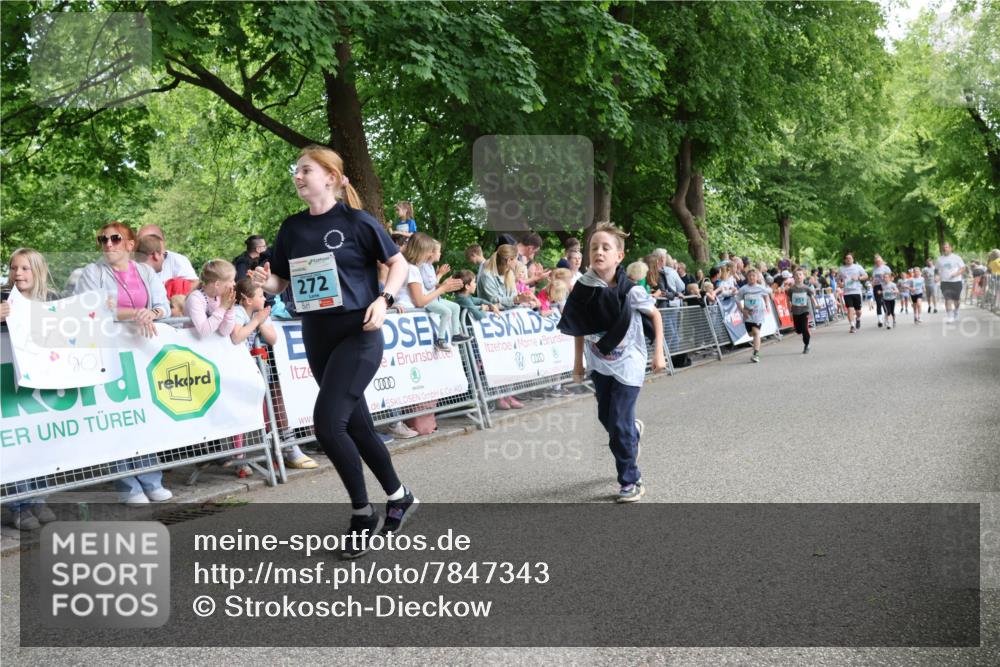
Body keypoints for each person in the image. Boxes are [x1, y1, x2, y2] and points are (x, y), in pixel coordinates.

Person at [251, 145, 417, 558]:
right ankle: (400, 496)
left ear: (331, 177)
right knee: (356, 426)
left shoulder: (356, 222)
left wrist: (386, 300)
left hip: (359, 333)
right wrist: (264, 280)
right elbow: (283, 283)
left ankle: (363, 515)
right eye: (296, 170)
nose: (298, 175)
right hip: (317, 335)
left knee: (328, 425)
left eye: (306, 169)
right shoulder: (291, 228)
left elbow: (399, 265)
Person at [559, 222, 666, 503]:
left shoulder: (631, 291)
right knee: (606, 418)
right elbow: (577, 325)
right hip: (599, 363)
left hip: (629, 361)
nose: (599, 252)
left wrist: (658, 354)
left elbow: (655, 316)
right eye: (594, 247)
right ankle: (634, 431)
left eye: (606, 247)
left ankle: (631, 480)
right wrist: (578, 362)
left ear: (619, 256)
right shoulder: (582, 288)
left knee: (618, 422)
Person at [76, 222, 172, 503]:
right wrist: (135, 313)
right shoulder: (92, 273)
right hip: (108, 353)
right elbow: (93, 309)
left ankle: (152, 479)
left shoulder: (144, 270)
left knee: (145, 416)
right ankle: (127, 485)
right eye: (102, 239)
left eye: (115, 239)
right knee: (117, 419)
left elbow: (163, 304)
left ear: (130, 244)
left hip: (142, 354)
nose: (108, 244)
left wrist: (152, 312)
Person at [1, 249, 60, 529]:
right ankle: (19, 506)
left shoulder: (53, 301)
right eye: (14, 268)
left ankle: (39, 498)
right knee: (16, 445)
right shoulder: (2, 301)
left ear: (37, 271)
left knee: (41, 444)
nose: (18, 273)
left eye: (25, 268)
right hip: (9, 387)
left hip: (42, 386)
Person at [397, 232, 467, 351]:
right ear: (421, 251)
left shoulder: (409, 266)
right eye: (429, 251)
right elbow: (420, 301)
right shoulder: (412, 269)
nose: (430, 254)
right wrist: (442, 289)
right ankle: (440, 340)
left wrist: (443, 287)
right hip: (407, 319)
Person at [184, 260, 238, 338]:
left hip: (210, 345)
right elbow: (204, 331)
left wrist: (230, 308)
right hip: (192, 344)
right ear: (217, 284)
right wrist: (222, 307)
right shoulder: (195, 298)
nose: (234, 284)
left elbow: (225, 331)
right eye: (231, 281)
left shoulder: (220, 297)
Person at [137, 224, 198, 290]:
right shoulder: (131, 263)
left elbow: (195, 284)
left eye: (151, 240)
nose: (143, 245)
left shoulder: (178, 260)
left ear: (162, 241)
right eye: (141, 242)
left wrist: (171, 290)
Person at [737, 267, 773, 363]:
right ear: (747, 277)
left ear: (757, 277)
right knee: (750, 334)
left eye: (754, 276)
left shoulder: (761, 288)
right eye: (750, 276)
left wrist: (767, 305)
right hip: (747, 315)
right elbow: (737, 299)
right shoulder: (743, 289)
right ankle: (755, 346)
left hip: (758, 314)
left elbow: (766, 295)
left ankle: (756, 354)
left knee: (756, 333)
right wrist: (742, 310)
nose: (752, 277)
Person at [788, 269, 818, 354]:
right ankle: (806, 334)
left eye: (800, 275)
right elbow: (788, 300)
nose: (798, 276)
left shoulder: (806, 288)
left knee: (805, 329)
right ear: (794, 277)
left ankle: (807, 345)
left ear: (803, 276)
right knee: (798, 330)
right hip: (795, 311)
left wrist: (816, 304)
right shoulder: (791, 289)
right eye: (796, 275)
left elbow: (812, 296)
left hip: (805, 310)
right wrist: (790, 310)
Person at [837, 253, 868, 332]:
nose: (848, 259)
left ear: (853, 259)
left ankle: (858, 318)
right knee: (850, 309)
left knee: (858, 311)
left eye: (850, 258)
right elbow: (838, 279)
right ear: (844, 260)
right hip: (847, 292)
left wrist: (858, 278)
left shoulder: (858, 267)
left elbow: (866, 276)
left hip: (857, 291)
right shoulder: (841, 269)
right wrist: (840, 284)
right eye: (847, 258)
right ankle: (852, 326)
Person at [935, 242, 966, 322]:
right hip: (945, 282)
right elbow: (937, 270)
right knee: (947, 299)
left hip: (956, 281)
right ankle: (950, 316)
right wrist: (937, 276)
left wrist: (956, 274)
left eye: (947, 247)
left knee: (957, 301)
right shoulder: (939, 259)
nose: (945, 249)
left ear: (951, 248)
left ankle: (956, 311)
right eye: (944, 247)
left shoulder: (957, 258)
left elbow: (963, 268)